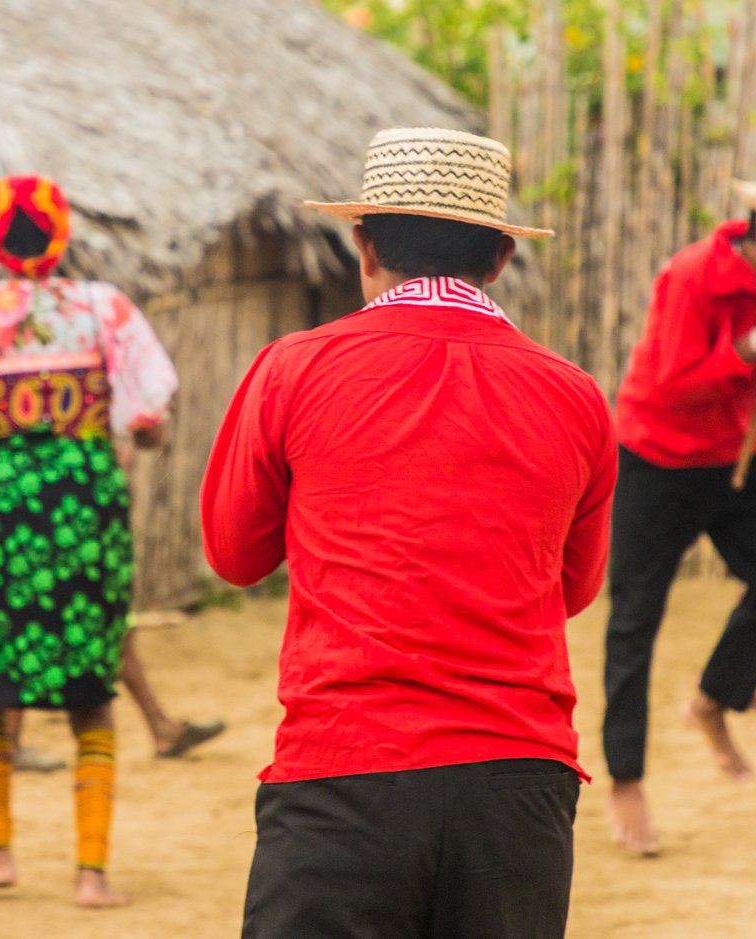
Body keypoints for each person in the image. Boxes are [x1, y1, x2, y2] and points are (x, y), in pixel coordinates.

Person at [203, 127, 615, 938]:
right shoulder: (576, 397)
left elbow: (234, 553)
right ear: (500, 257)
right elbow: (572, 587)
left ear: (362, 242)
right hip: (519, 782)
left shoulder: (293, 369)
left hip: (343, 774)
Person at [0, 175, 181, 908]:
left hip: (6, 517)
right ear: (61, 235)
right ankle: (91, 872)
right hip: (87, 518)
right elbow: (150, 414)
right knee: (90, 691)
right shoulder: (104, 311)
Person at [603, 146, 756, 856]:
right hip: (657, 457)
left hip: (739, 458)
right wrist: (752, 342)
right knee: (634, 621)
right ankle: (627, 780)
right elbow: (674, 384)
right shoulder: (690, 276)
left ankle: (712, 701)